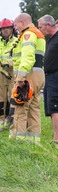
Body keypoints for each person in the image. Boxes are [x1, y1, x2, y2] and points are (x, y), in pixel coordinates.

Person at [10, 13, 46, 143]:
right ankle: (34, 141)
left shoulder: (28, 34)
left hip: (28, 75)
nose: (15, 28)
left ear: (22, 22)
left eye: (16, 25)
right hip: (39, 75)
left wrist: (20, 77)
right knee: (34, 109)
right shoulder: (38, 34)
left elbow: (28, 57)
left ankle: (18, 141)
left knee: (20, 107)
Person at [38, 15, 58, 145]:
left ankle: (57, 139)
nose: (40, 30)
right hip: (50, 77)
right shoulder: (51, 39)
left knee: (55, 107)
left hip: (55, 77)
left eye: (40, 27)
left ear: (48, 25)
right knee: (51, 108)